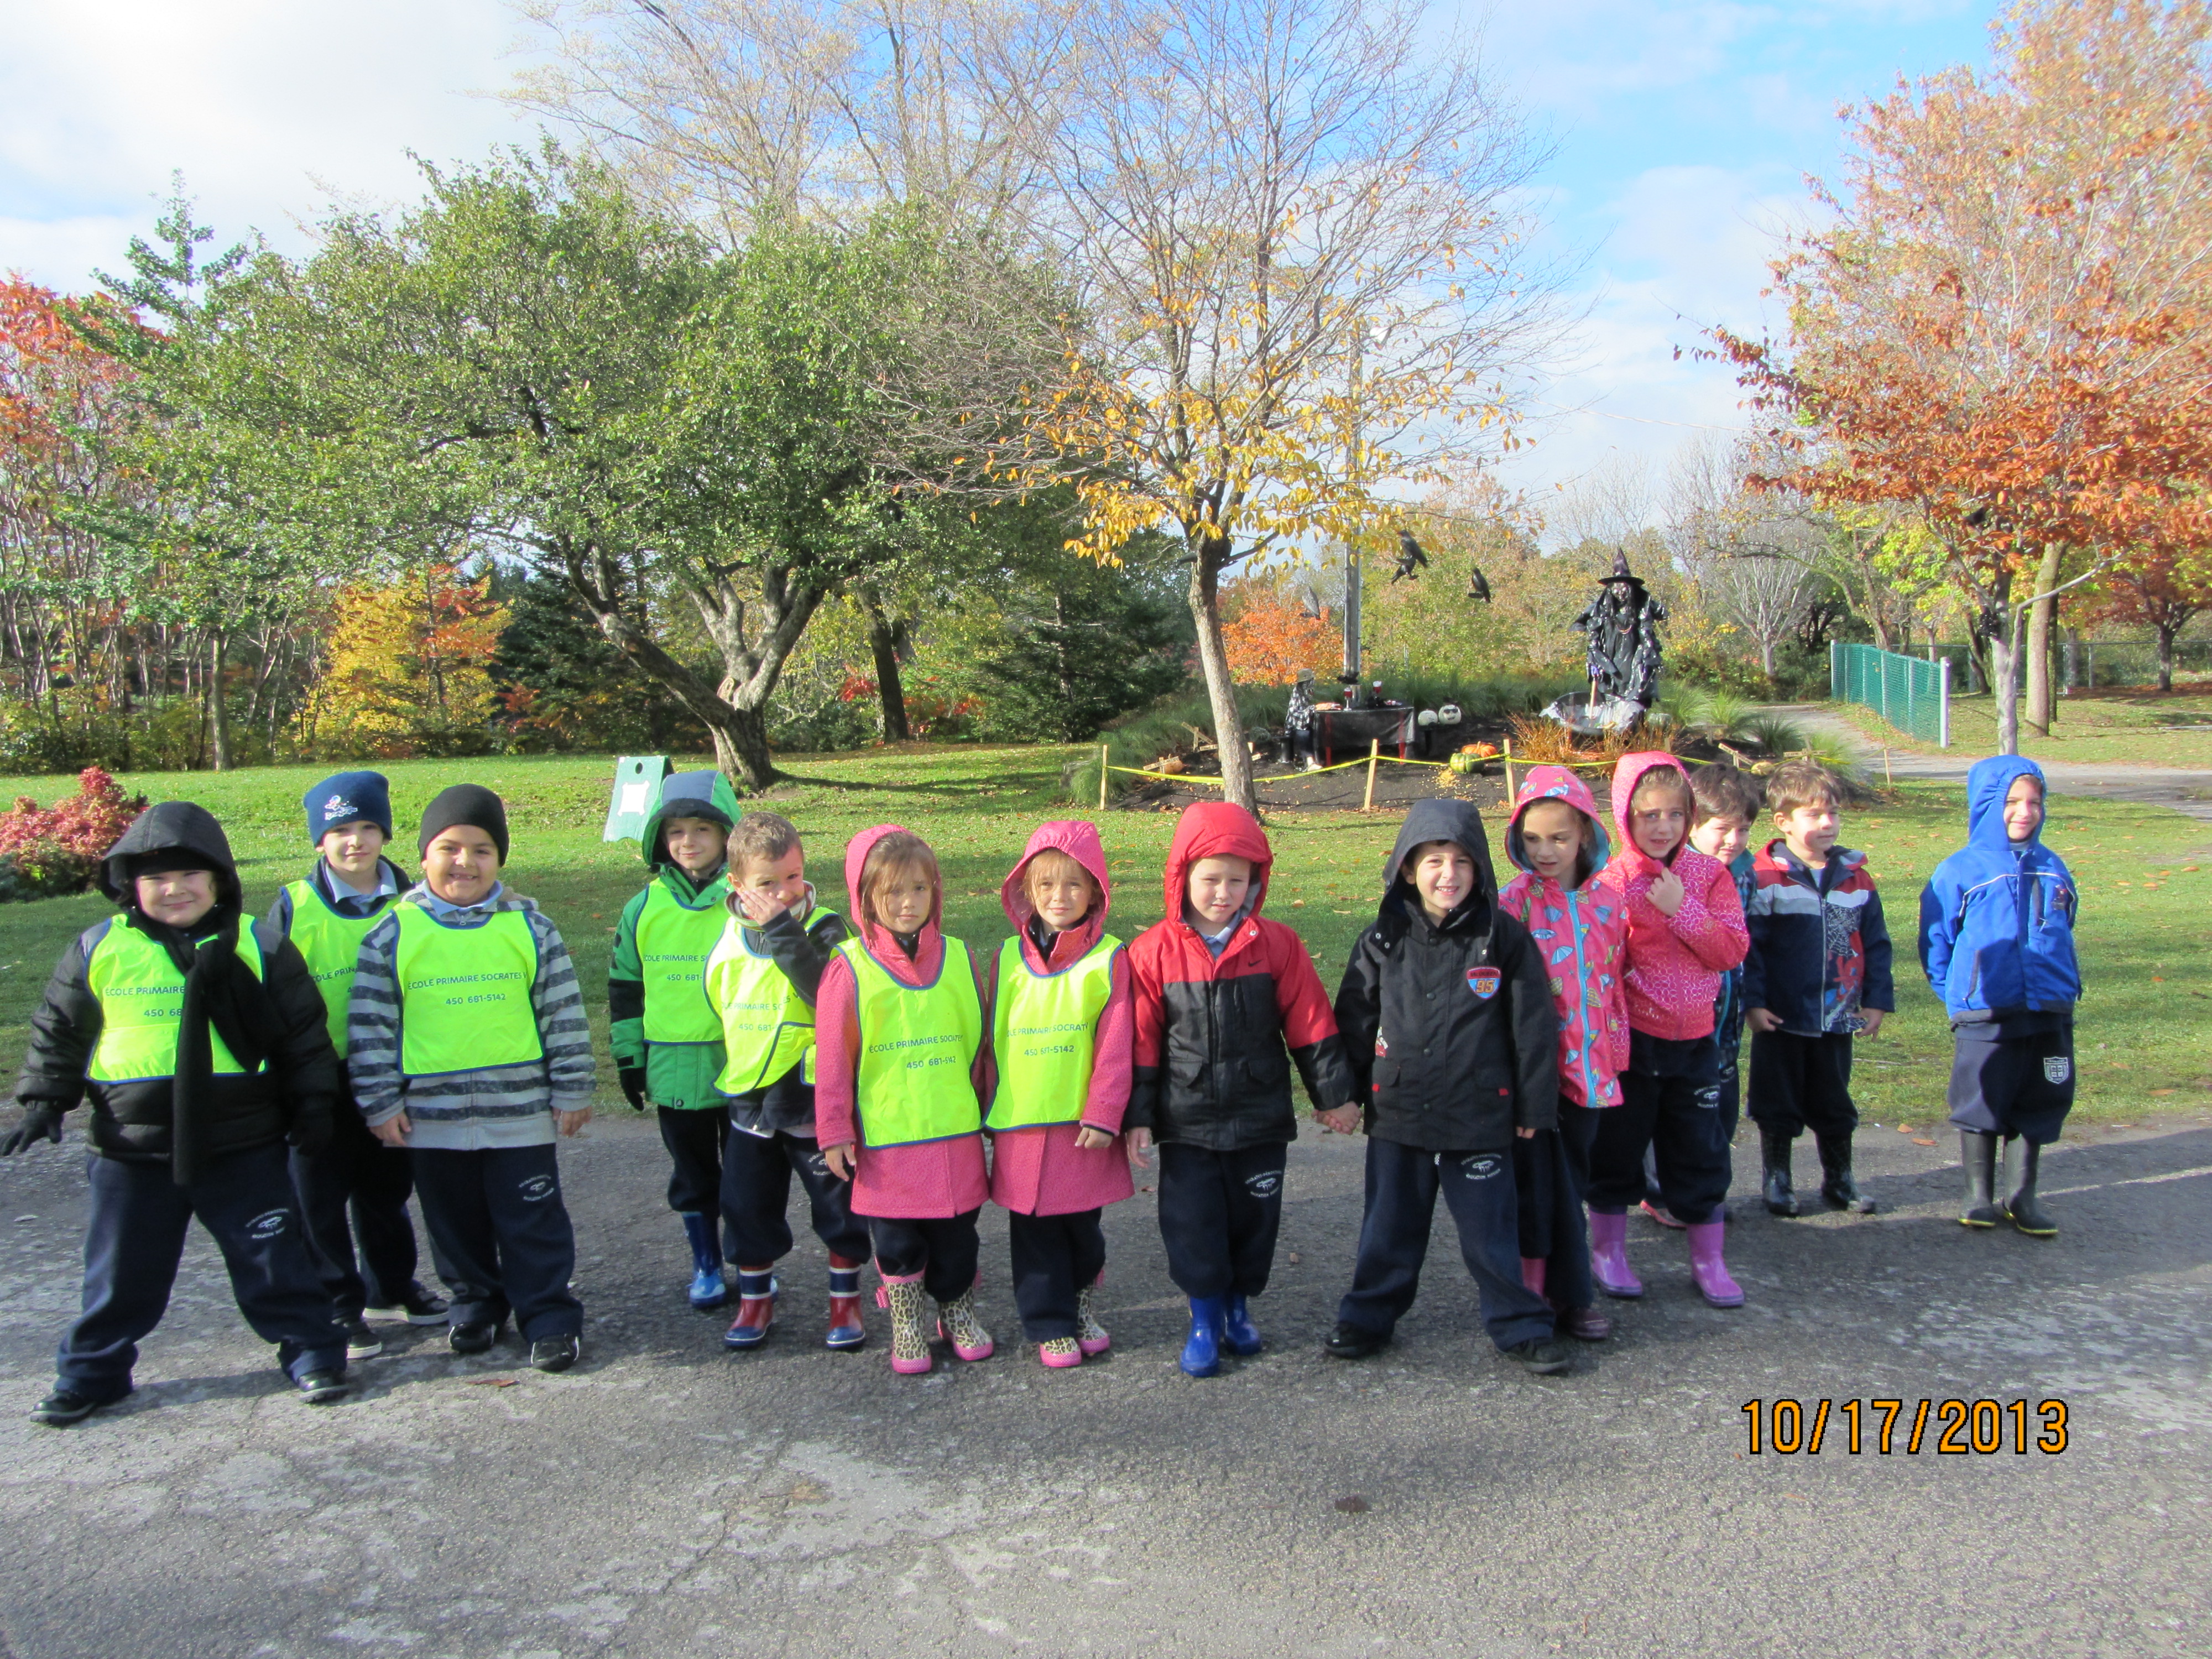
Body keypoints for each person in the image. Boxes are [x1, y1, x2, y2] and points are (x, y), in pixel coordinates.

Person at [6, 802, 353, 1423]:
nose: (175, 889)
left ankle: (311, 1350)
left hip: (244, 1142)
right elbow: (59, 1030)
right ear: (129, 886)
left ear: (218, 880)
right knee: (119, 1273)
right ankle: (94, 1372)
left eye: (192, 875)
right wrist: (42, 1099)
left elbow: (302, 1033)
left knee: (275, 1261)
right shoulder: (100, 948)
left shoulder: (257, 944)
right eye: (157, 878)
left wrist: (315, 1103)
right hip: (131, 1149)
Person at [348, 785, 596, 1373]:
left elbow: (563, 1014)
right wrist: (380, 1104)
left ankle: (548, 1315)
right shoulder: (391, 934)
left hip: (522, 1115)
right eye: (449, 848)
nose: (465, 862)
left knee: (532, 1219)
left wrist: (572, 1088)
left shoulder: (531, 929)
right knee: (454, 1223)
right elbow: (371, 1027)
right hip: (432, 1120)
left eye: (482, 850)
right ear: (424, 855)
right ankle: (477, 1303)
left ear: (500, 859)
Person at [1324, 800, 1572, 1375]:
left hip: (1480, 1114)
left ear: (1480, 869)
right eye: (1434, 860)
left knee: (1492, 1236)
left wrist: (1536, 1103)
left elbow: (1532, 1028)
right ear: (1408, 868)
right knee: (1388, 1228)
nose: (1449, 874)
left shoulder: (1502, 937)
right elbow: (1354, 1019)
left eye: (1462, 861)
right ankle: (1366, 1317)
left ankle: (1520, 1324)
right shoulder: (1382, 937)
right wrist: (1342, 1094)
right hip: (1400, 1111)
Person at [1127, 802, 1355, 1378]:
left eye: (1237, 879)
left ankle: (1237, 1307)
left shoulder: (1277, 945)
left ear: (1256, 880)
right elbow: (1140, 1042)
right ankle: (1203, 1318)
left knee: (1255, 1221)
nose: (1223, 892)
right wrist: (1137, 1115)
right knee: (1194, 1225)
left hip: (1259, 1116)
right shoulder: (1152, 951)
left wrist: (1334, 1097)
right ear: (1182, 878)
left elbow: (1310, 1023)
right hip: (1187, 1122)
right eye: (1209, 879)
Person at [268, 770, 448, 1360]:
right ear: (320, 840)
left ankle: (390, 1289)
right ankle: (338, 1305)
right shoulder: (293, 906)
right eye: (341, 830)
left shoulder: (415, 897)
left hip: (394, 1071)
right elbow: (266, 993)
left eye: (368, 827)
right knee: (318, 1195)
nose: (356, 842)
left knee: (386, 1189)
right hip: (319, 1078)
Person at [814, 826, 994, 1376]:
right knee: (896, 1244)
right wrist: (835, 1131)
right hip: (888, 1144)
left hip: (954, 1134)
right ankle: (907, 1321)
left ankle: (957, 1312)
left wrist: (992, 1117)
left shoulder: (961, 957)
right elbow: (833, 1060)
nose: (907, 903)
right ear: (865, 897)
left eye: (918, 889)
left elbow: (982, 1045)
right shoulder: (849, 967)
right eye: (891, 892)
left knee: (958, 1239)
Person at [702, 810, 869, 1352]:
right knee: (746, 1205)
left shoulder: (824, 926)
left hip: (811, 1100)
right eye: (767, 883)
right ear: (737, 885)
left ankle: (844, 1298)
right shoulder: (727, 936)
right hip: (751, 1098)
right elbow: (717, 999)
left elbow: (827, 992)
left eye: (793, 877)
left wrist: (781, 926)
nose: (783, 891)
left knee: (837, 1204)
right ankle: (756, 1299)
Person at [1587, 754, 1750, 1308]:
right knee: (1616, 1150)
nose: (1662, 828)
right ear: (1624, 816)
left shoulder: (1710, 877)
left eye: (1675, 816)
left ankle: (1709, 1258)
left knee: (1700, 1152)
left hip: (1696, 1044)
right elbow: (1599, 968)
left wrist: (1683, 910)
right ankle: (1607, 1250)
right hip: (1632, 1046)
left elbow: (1729, 951)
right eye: (1648, 815)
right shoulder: (1610, 884)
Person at [988, 822, 1139, 1369]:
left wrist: (1105, 1113)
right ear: (1026, 891)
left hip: (1080, 1126)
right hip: (1023, 1123)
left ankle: (1081, 1307)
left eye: (1073, 886)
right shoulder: (1006, 957)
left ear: (1095, 892)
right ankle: (1047, 1323)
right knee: (1033, 1232)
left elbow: (1117, 1043)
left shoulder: (1109, 959)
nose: (1059, 898)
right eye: (1046, 886)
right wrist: (984, 1108)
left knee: (1082, 1229)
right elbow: (991, 1038)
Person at [1918, 757, 2080, 1238]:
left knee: (2042, 1098)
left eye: (2034, 802)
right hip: (1986, 1010)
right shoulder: (1960, 870)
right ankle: (1978, 1194)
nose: (2024, 812)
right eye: (2011, 802)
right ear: (1988, 805)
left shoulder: (2055, 867)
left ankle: (2022, 1195)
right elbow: (1936, 941)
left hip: (2048, 1008)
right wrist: (1957, 996)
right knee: (1982, 1097)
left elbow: (2065, 927)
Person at [1496, 766, 1630, 1344]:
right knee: (1532, 1185)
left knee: (1571, 1183)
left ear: (1585, 836)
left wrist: (1616, 1049)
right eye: (1531, 839)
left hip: (1591, 1075)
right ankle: (1529, 1291)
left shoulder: (1608, 901)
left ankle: (1571, 1294)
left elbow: (1615, 981)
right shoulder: (1511, 903)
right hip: (1531, 1077)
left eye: (1559, 838)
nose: (1545, 851)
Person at [609, 770, 742, 1310]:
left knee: (745, 1174)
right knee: (692, 1173)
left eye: (702, 830)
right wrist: (627, 1056)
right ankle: (706, 1263)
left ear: (728, 834)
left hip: (741, 1062)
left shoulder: (746, 898)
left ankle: (749, 1260)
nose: (688, 842)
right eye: (676, 832)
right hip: (673, 1064)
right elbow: (624, 987)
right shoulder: (643, 908)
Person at [1743, 759, 1892, 1217]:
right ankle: (1778, 1180)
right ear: (1784, 822)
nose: (1827, 823)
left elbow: (1877, 942)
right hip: (1782, 1018)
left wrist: (1876, 1000)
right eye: (1814, 815)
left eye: (1833, 813)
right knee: (1777, 1102)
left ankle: (1840, 1179)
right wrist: (1754, 1003)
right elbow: (1750, 949)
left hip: (1837, 1014)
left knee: (1834, 1101)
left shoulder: (1856, 877)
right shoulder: (1765, 879)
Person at [1673, 763, 1762, 1220]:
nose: (1734, 840)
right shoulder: (1676, 873)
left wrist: (1758, 1000)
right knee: (1680, 1116)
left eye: (1744, 830)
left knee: (1722, 1111)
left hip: (1729, 1022)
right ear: (1693, 825)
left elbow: (1754, 944)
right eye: (1723, 829)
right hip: (1683, 1022)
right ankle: (1667, 1191)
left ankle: (1711, 1195)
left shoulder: (1746, 875)